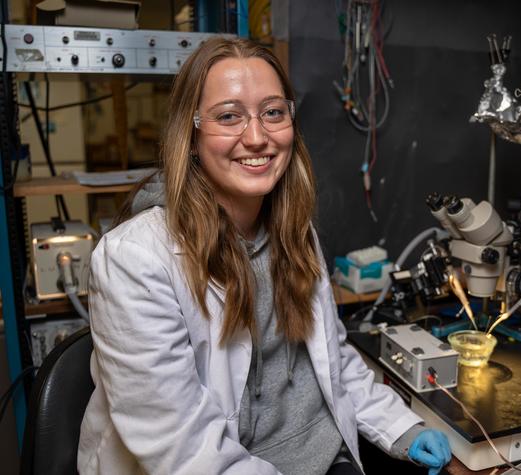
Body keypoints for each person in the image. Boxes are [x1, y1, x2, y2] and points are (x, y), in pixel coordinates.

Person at [78, 37, 451, 475]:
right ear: (191, 136)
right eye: (229, 116)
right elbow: (183, 446)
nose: (256, 138)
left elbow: (333, 359)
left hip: (325, 454)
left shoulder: (293, 231)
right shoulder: (135, 260)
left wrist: (402, 426)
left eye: (273, 113)